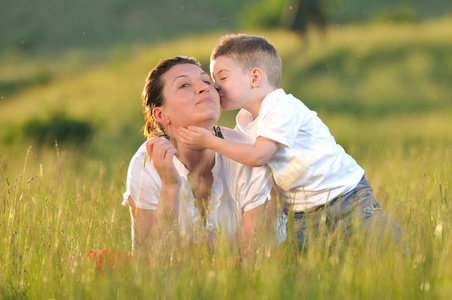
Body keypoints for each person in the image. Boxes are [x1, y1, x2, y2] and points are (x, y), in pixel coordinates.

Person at [179, 34, 401, 249]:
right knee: (317, 267)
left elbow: (258, 156)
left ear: (255, 77)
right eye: (214, 80)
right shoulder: (245, 120)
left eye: (223, 78)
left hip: (346, 196)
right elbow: (233, 146)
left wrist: (209, 141)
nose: (216, 87)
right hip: (303, 214)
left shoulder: (280, 106)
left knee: (384, 248)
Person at [122, 56, 275, 257]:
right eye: (184, 84)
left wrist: (190, 254)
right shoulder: (145, 164)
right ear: (160, 115)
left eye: (206, 81)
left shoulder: (245, 152)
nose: (205, 88)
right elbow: (147, 262)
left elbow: (256, 254)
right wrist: (170, 186)